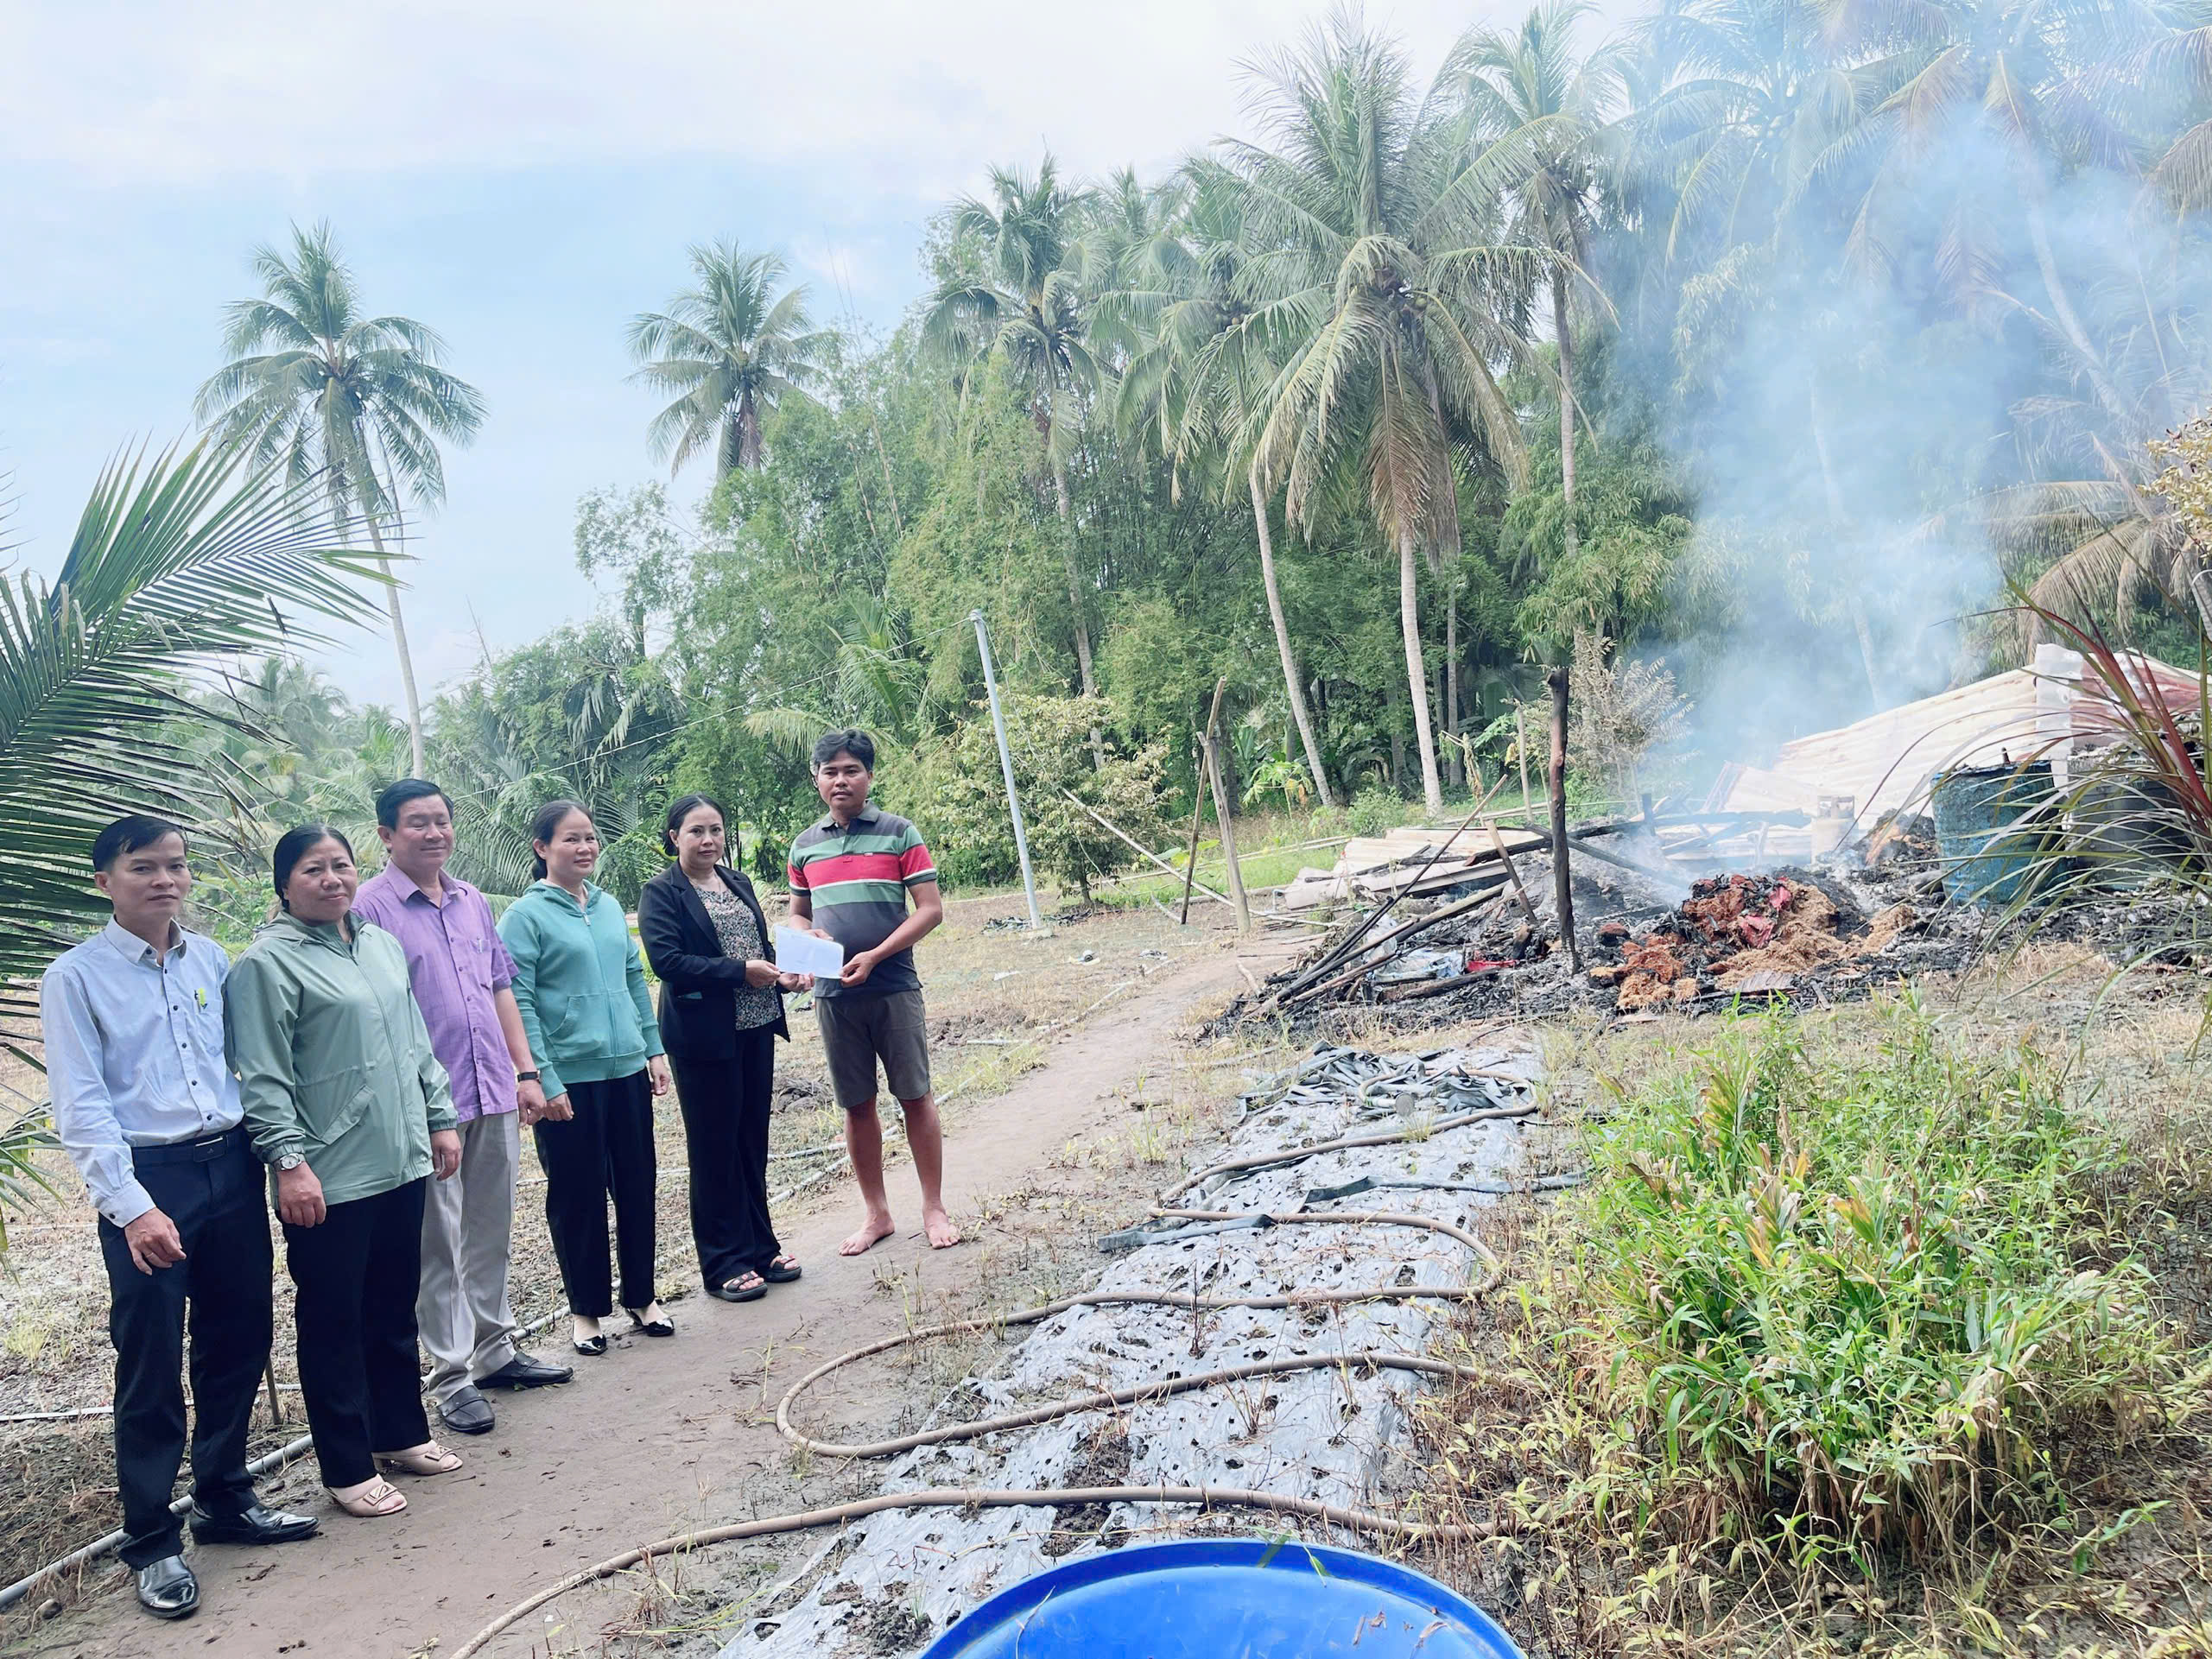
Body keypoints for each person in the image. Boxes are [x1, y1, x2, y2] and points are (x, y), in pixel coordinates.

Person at [39, 817, 320, 1620]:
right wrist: (131, 1209)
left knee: (240, 1336)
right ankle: (152, 1540)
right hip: (148, 1176)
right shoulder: (76, 977)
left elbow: (240, 1064)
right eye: (143, 868)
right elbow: (83, 1106)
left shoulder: (211, 958)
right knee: (151, 1358)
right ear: (105, 880)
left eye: (176, 866)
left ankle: (225, 1498)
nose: (164, 879)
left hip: (228, 1164)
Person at [226, 825, 466, 1522]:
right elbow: (264, 1076)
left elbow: (415, 1042)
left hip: (399, 1158)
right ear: (283, 883)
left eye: (340, 865)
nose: (331, 879)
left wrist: (439, 1116)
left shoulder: (378, 942)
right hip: (329, 1172)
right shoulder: (266, 964)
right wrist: (289, 1162)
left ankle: (400, 1433)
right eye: (312, 869)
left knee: (393, 1305)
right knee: (334, 1317)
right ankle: (346, 1462)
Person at [355, 779, 574, 1438]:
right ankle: (450, 1376)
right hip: (432, 1105)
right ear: (387, 836)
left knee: (490, 1225)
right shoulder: (369, 909)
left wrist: (525, 1071)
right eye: (416, 823)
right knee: (439, 1242)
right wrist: (425, 1108)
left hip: (493, 1089)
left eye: (441, 821)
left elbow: (500, 988)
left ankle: (495, 1349)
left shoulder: (472, 901)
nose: (433, 832)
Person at [498, 801, 675, 1355]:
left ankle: (643, 1298)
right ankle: (586, 1313)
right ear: (542, 848)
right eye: (571, 839)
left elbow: (631, 976)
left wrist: (653, 1047)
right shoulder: (524, 917)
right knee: (577, 1196)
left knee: (637, 1183)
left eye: (591, 838)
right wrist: (542, 1076)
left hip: (625, 1070)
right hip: (567, 1081)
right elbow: (519, 999)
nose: (585, 848)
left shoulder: (607, 906)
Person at [786, 728, 959, 1256]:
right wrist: (802, 935)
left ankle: (933, 1207)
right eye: (830, 771)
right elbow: (798, 913)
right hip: (835, 997)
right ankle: (877, 1214)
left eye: (851, 770)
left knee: (914, 1095)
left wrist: (877, 955)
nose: (841, 780)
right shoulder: (804, 846)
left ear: (869, 776)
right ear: (816, 779)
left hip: (893, 986)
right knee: (856, 1105)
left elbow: (930, 909)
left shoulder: (900, 833)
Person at [638, 795, 803, 1303]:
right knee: (713, 1148)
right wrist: (739, 972)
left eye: (714, 830)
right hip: (702, 1039)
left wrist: (784, 972)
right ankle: (722, 1260)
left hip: (755, 1026)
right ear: (674, 837)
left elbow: (758, 949)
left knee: (751, 1140)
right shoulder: (661, 892)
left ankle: (760, 1246)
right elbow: (668, 961)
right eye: (695, 832)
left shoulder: (737, 882)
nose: (707, 840)